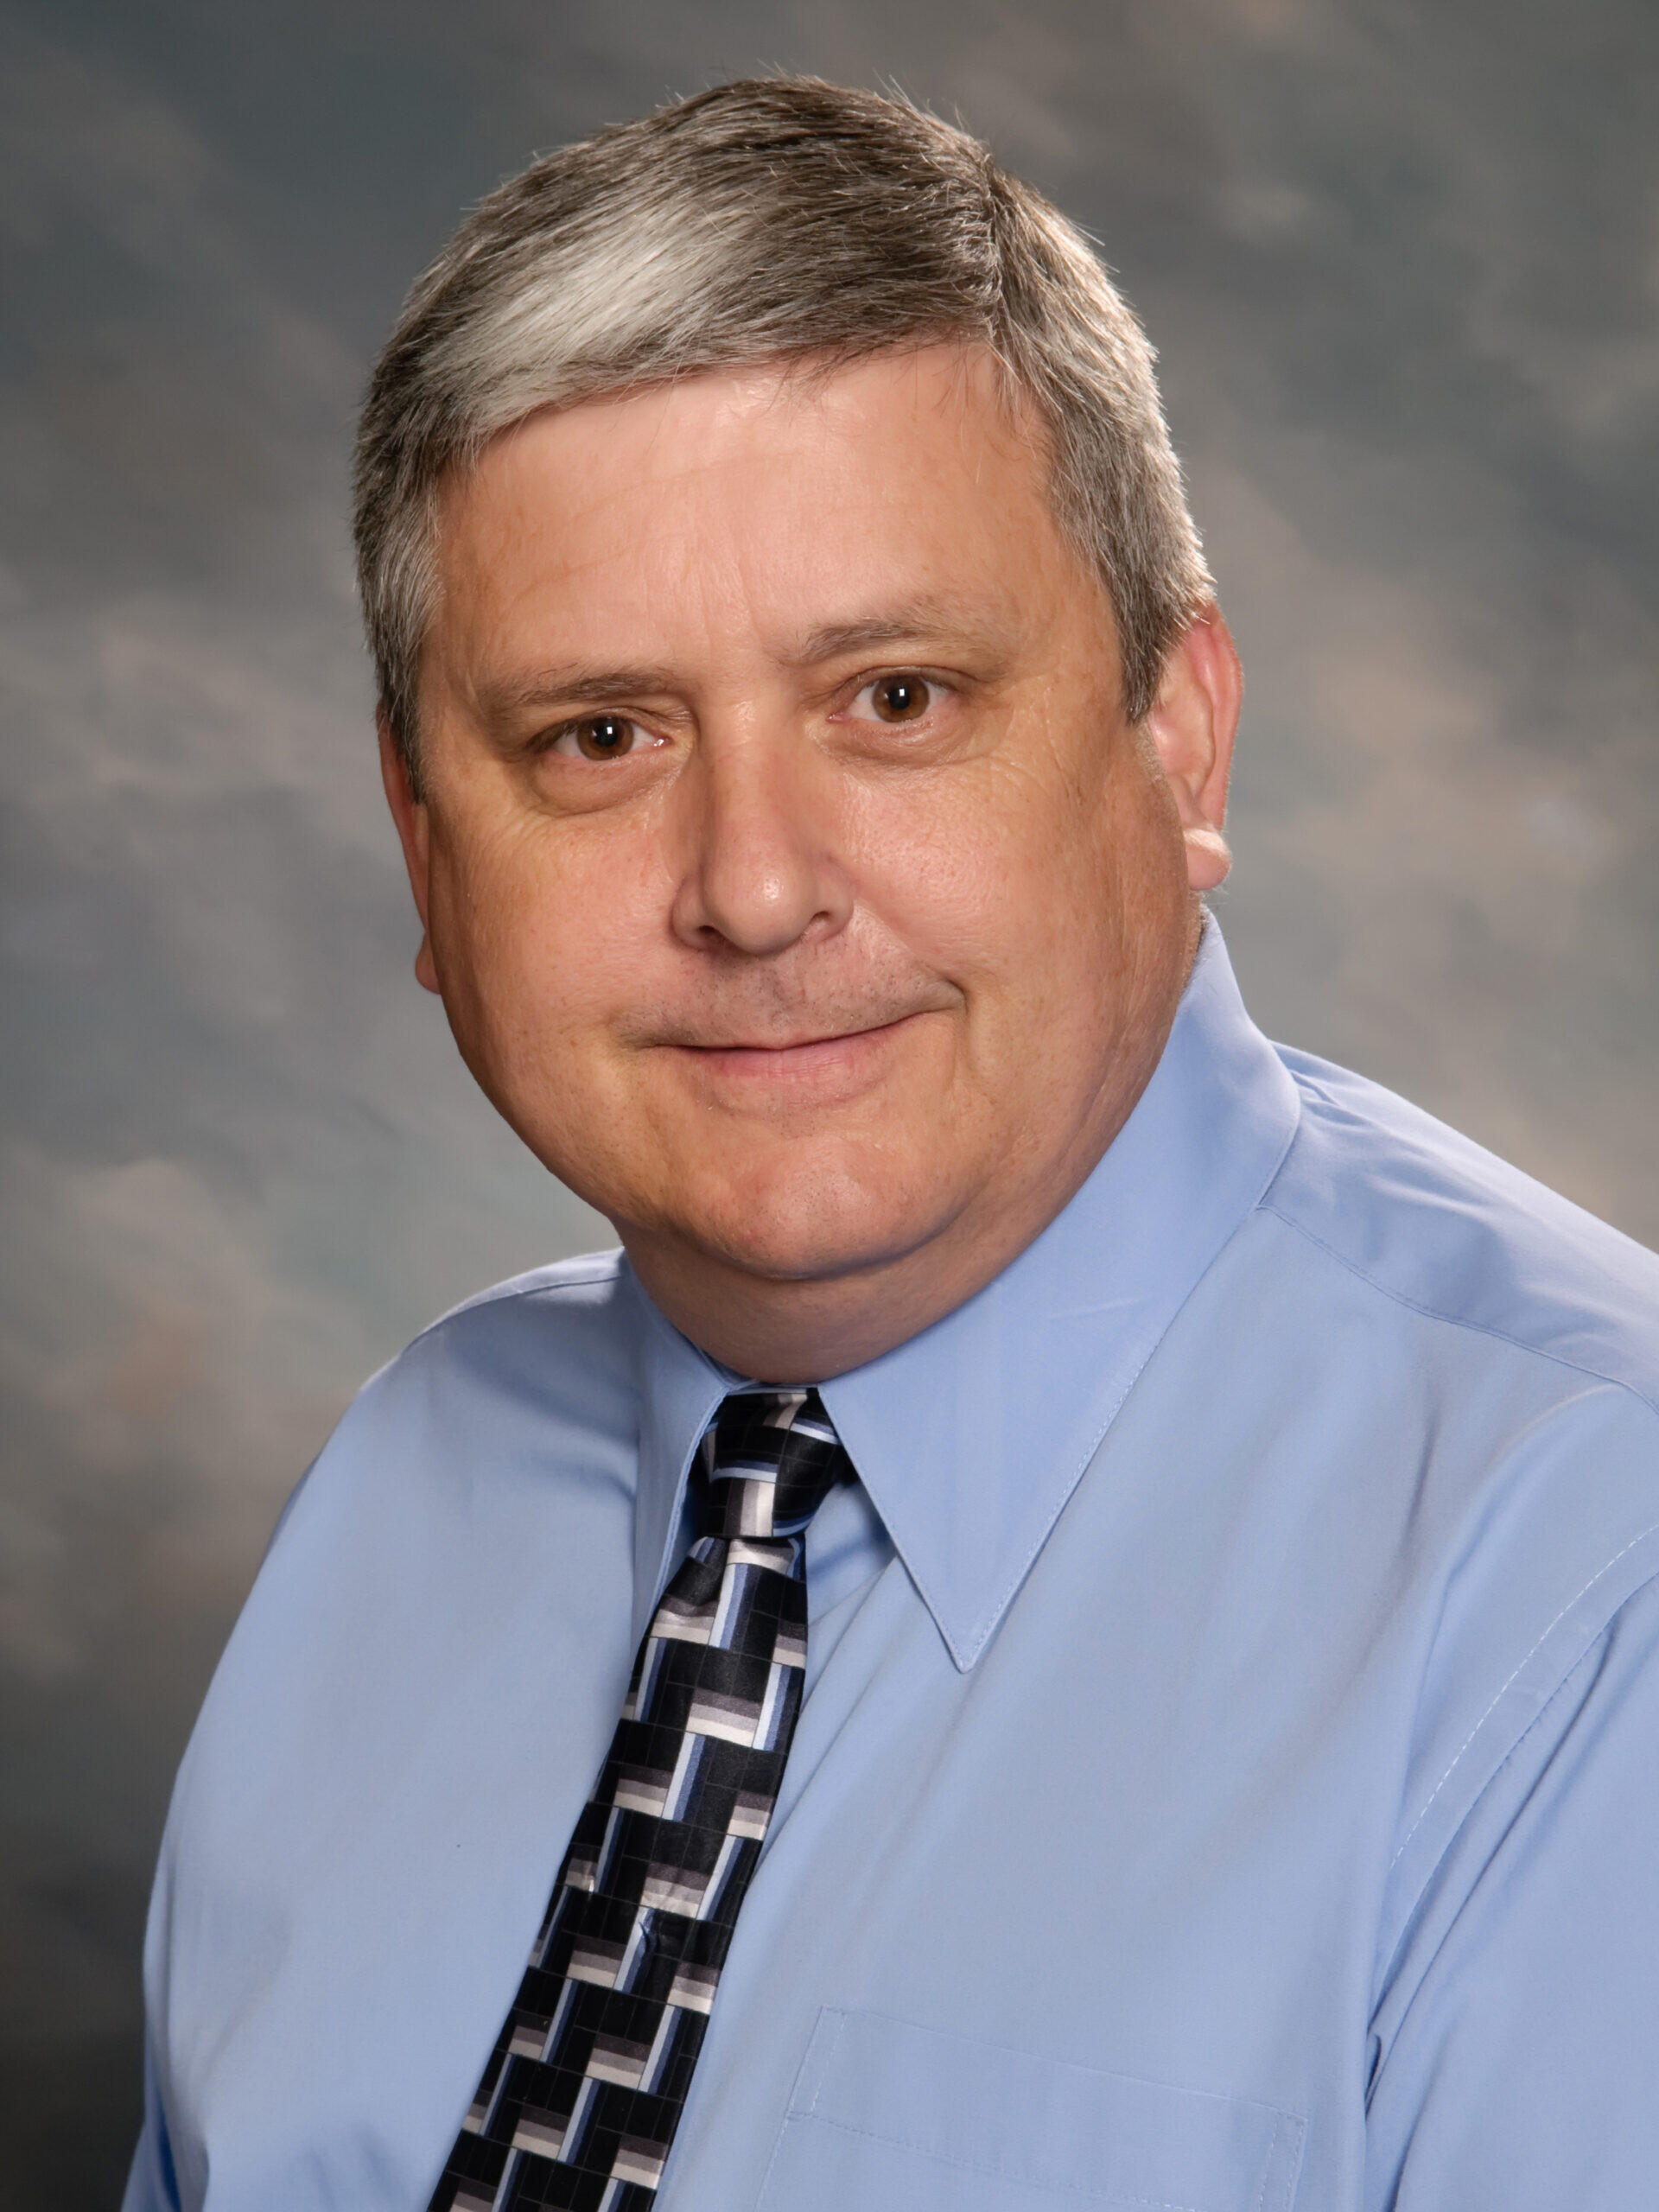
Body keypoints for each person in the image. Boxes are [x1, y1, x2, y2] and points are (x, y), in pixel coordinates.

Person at [124, 78, 1659, 2212]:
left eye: (897, 700)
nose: (753, 885)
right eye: (599, 735)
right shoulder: (408, 1483)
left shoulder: (1597, 1577)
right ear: (419, 839)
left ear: (1179, 733)